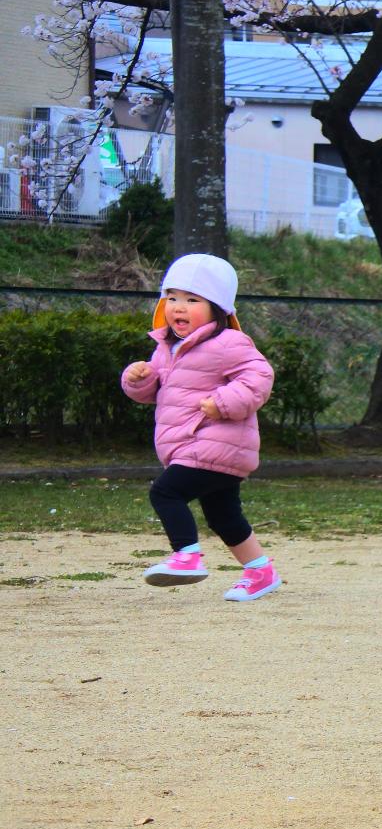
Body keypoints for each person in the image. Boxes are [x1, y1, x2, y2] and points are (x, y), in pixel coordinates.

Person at [120, 254, 280, 601]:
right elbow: (159, 392)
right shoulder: (168, 347)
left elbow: (259, 377)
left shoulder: (229, 343)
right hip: (196, 446)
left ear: (217, 309)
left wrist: (223, 402)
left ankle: (187, 556)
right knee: (223, 516)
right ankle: (260, 571)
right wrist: (138, 380)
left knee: (166, 492)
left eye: (192, 300)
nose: (180, 306)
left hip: (214, 443)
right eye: (173, 298)